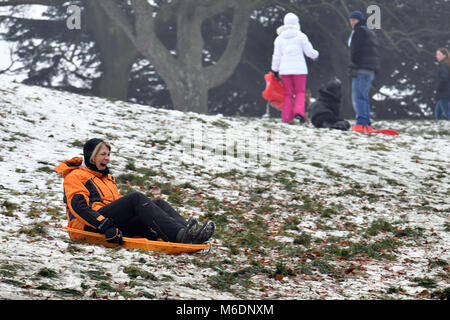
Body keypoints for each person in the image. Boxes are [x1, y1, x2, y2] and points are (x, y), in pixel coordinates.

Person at [55, 138, 215, 245]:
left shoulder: (106, 178)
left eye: (109, 154)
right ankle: (179, 235)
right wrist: (104, 225)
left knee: (158, 203)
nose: (107, 158)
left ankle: (189, 233)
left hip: (108, 221)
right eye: (103, 154)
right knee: (136, 198)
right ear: (91, 156)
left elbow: (117, 207)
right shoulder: (76, 176)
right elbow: (78, 207)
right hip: (87, 226)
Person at [271, 12, 319, 124]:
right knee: (300, 92)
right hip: (299, 70)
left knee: (288, 94)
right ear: (296, 23)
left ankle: (287, 117)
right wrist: (316, 55)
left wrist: (274, 69)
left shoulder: (279, 39)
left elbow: (276, 56)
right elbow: (309, 52)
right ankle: (299, 113)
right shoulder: (301, 36)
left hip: (284, 70)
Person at [347, 10, 379, 132]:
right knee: (364, 96)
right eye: (350, 20)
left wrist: (353, 65)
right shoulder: (369, 32)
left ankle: (361, 123)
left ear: (359, 20)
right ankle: (366, 122)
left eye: (354, 20)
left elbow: (355, 51)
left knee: (358, 96)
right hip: (369, 69)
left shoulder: (359, 31)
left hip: (361, 68)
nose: (352, 23)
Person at [434, 48, 450, 120]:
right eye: (437, 54)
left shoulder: (443, 66)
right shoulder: (446, 65)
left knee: (447, 112)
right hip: (443, 92)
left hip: (444, 93)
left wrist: (438, 87)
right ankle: (441, 128)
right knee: (438, 114)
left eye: (439, 54)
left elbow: (444, 78)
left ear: (444, 55)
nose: (437, 56)